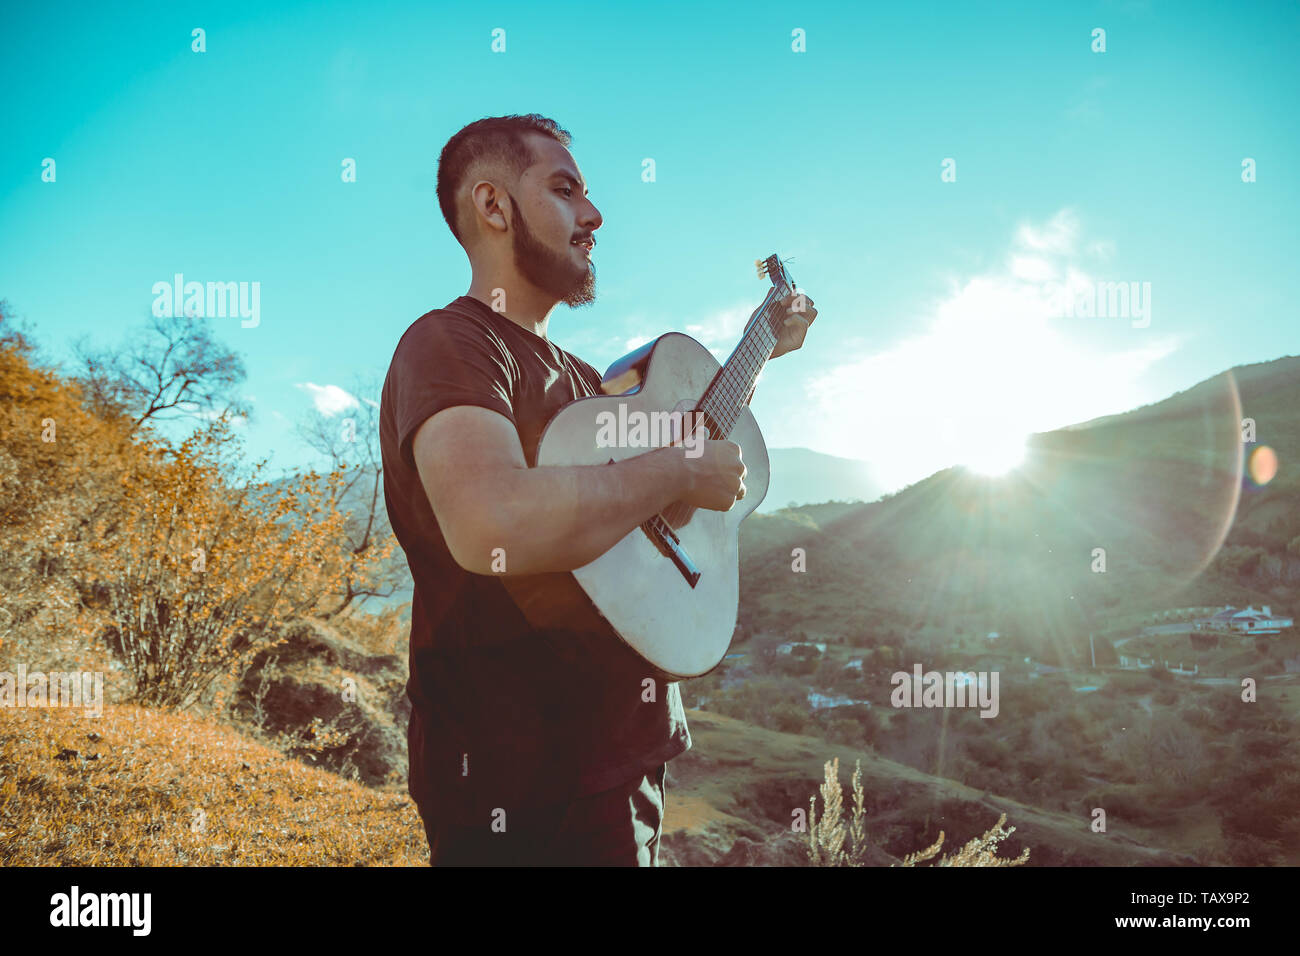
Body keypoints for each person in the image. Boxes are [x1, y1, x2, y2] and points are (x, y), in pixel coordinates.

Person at [378, 113, 815, 866]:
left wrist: (761, 349)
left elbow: (650, 489)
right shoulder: (453, 344)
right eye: (564, 188)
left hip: (624, 759)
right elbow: (493, 524)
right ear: (493, 206)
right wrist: (677, 471)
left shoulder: (589, 382)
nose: (595, 214)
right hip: (514, 778)